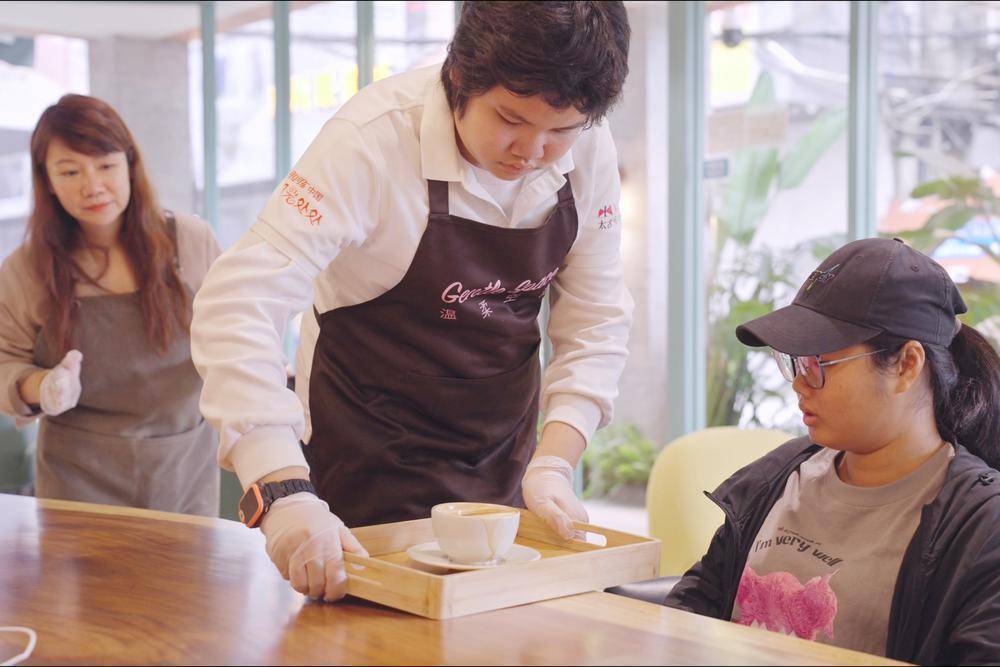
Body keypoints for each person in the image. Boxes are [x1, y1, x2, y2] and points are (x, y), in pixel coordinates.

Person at [191, 1, 633, 601]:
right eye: (510, 118)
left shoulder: (588, 142)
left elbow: (596, 319)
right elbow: (240, 298)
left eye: (560, 131)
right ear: (460, 76)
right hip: (364, 451)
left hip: (502, 458)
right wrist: (281, 490)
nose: (531, 150)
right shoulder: (370, 140)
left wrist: (555, 461)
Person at [661, 238, 1000, 663]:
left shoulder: (979, 526)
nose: (799, 384)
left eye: (819, 365)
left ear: (907, 364)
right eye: (796, 363)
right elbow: (690, 614)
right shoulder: (777, 477)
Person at [0, 94, 222, 516]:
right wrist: (44, 387)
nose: (92, 186)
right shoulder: (26, 270)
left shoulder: (189, 241)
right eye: (70, 171)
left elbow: (232, 330)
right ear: (47, 180)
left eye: (105, 166)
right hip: (76, 480)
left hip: (183, 468)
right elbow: (4, 362)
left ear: (130, 165)